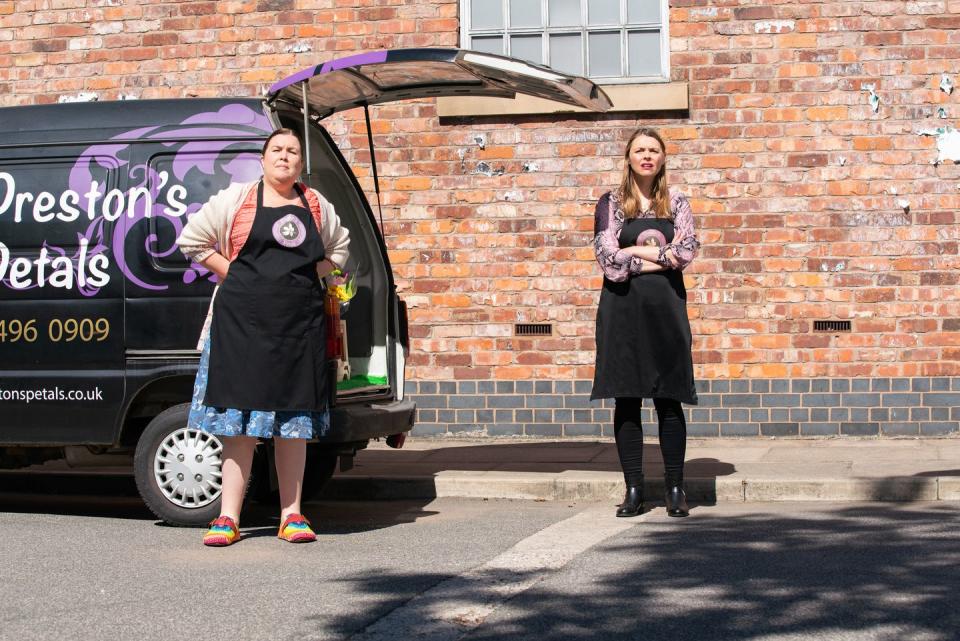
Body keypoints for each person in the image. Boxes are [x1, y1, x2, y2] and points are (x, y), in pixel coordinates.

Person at [176, 128, 350, 546]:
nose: (285, 157)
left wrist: (311, 274)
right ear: (263, 158)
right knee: (237, 426)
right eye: (277, 150)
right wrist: (233, 273)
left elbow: (340, 249)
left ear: (301, 163)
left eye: (293, 151)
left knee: (293, 425)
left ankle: (292, 516)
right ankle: (227, 518)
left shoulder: (316, 205)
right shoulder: (235, 199)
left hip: (298, 329)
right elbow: (192, 241)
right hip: (240, 327)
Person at [591, 127, 700, 518]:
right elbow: (607, 261)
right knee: (627, 397)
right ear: (629, 158)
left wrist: (631, 251)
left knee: (669, 399)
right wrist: (653, 255)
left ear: (663, 158)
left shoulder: (677, 201)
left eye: (654, 150)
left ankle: (674, 488)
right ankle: (634, 489)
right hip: (622, 311)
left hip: (666, 310)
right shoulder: (610, 203)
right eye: (640, 150)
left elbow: (686, 251)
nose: (647, 156)